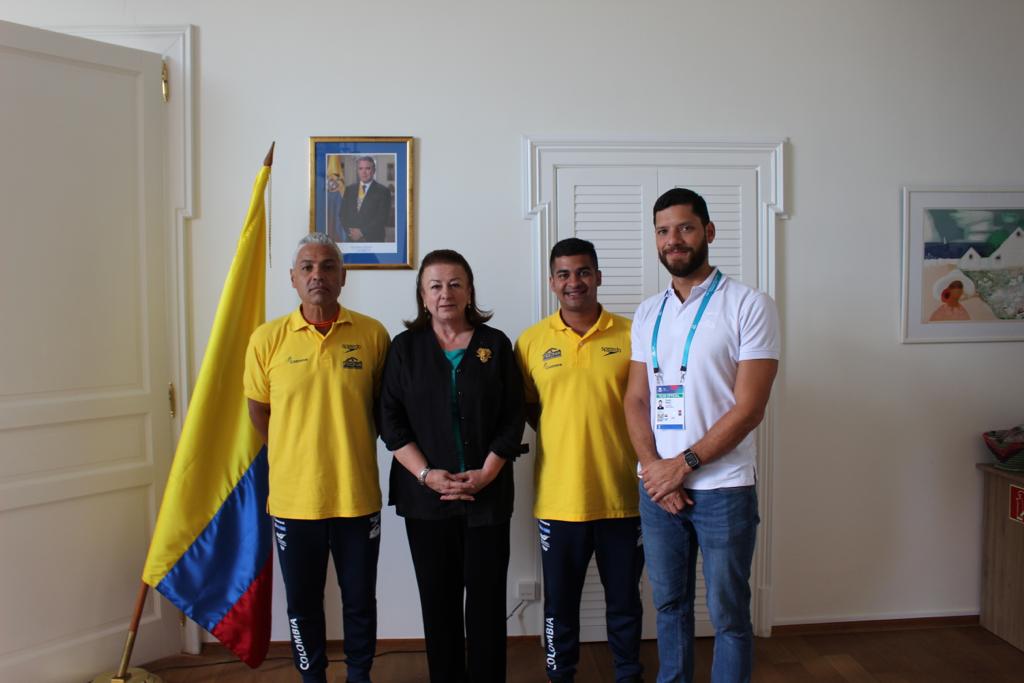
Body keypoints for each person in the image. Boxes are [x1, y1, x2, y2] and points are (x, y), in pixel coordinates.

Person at [624, 189, 780, 683]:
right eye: (664, 231)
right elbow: (636, 400)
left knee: (729, 613)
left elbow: (750, 408)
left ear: (708, 232)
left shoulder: (749, 305)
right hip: (659, 491)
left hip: (723, 488)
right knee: (669, 605)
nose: (674, 240)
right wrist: (655, 469)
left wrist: (681, 466)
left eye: (685, 228)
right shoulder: (648, 312)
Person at [243, 232, 389, 683]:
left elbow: (388, 411)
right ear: (292, 279)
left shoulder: (372, 335)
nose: (317, 275)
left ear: (343, 277)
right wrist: (295, 451)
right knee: (303, 602)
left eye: (327, 266)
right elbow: (259, 411)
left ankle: (360, 675)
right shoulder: (267, 340)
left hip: (356, 495)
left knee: (360, 598)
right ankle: (312, 676)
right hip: (293, 500)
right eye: (307, 267)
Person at [379, 249, 525, 683]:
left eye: (455, 284)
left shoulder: (495, 344)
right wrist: (426, 474)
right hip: (426, 503)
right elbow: (389, 419)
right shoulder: (403, 349)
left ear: (469, 292)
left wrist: (488, 472)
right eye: (436, 285)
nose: (446, 293)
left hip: (488, 498)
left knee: (485, 604)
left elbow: (513, 415)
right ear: (423, 296)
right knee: (438, 604)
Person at [515, 238, 645, 683]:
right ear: (552, 282)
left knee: (625, 601)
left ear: (598, 276)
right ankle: (560, 674)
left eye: (584, 272)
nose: (575, 282)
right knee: (560, 604)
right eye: (565, 274)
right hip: (559, 499)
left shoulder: (633, 333)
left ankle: (628, 675)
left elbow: (648, 406)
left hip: (623, 498)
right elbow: (529, 409)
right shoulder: (530, 342)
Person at [340, 156, 391, 242]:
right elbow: (342, 215)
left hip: (373, 239)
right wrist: (350, 232)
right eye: (360, 168)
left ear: (374, 170)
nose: (364, 172)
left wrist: (362, 232)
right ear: (357, 171)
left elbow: (382, 218)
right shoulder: (349, 189)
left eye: (368, 168)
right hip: (351, 239)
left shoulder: (383, 191)